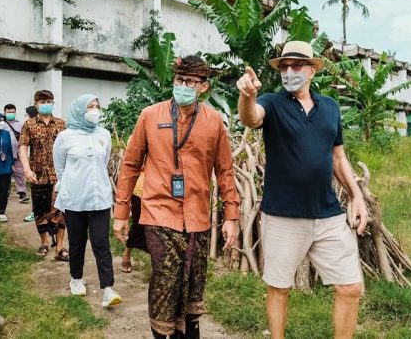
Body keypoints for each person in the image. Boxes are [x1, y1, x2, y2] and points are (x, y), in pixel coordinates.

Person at [236, 41, 369, 339]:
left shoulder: (330, 108)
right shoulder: (271, 101)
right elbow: (250, 117)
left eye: (296, 66)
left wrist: (357, 196)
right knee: (280, 288)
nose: (289, 72)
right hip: (283, 215)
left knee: (351, 287)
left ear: (311, 70)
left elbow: (338, 157)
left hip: (328, 214)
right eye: (284, 67)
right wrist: (248, 95)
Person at [114, 55, 240, 338]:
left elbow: (225, 170)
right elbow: (131, 165)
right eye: (179, 80)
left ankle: (189, 332)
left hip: (197, 217)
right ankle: (162, 334)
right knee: (165, 278)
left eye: (191, 82)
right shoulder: (150, 115)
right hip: (159, 214)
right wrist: (122, 212)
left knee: (194, 281)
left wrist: (231, 215)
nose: (183, 86)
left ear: (203, 87)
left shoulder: (214, 122)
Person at [53, 94, 122, 308]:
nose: (94, 110)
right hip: (74, 198)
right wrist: (64, 190)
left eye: (97, 106)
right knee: (77, 242)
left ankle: (108, 289)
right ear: (79, 110)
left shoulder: (104, 134)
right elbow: (60, 168)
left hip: (100, 197)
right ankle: (76, 278)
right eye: (89, 107)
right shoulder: (65, 136)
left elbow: (105, 160)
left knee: (102, 243)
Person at [19, 90, 68, 260]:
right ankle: (45, 242)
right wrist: (26, 168)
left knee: (60, 209)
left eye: (49, 101)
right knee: (40, 210)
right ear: (36, 104)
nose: (46, 104)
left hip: (59, 175)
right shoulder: (29, 125)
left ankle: (60, 247)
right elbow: (23, 147)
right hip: (37, 174)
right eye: (43, 102)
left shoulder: (61, 124)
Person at [121, 138, 148, 274]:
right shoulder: (136, 137)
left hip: (163, 190)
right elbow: (132, 163)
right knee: (138, 225)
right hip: (141, 189)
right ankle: (127, 253)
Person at [3, 104, 28, 203]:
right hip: (5, 154)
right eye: (8, 112)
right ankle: (5, 193)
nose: (11, 114)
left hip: (18, 152)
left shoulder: (21, 124)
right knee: (6, 173)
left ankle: (22, 193)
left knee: (20, 172)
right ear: (4, 112)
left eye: (12, 112)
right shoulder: (1, 124)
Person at [23, 105, 39, 222]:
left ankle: (36, 212)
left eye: (26, 115)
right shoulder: (28, 127)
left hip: (38, 165)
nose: (25, 117)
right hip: (33, 163)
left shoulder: (32, 127)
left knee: (36, 190)